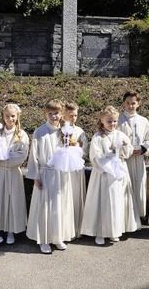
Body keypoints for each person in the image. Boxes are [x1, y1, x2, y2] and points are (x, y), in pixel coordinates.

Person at [81, 106, 140, 245]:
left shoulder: (120, 135)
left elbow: (128, 152)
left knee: (117, 202)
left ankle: (115, 230)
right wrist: (108, 160)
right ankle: (100, 232)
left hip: (118, 173)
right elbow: (95, 156)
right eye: (109, 121)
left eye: (114, 121)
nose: (112, 124)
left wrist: (125, 146)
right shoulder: (97, 137)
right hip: (104, 174)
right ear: (102, 120)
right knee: (104, 202)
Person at [26, 99, 75, 253]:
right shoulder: (40, 132)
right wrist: (35, 176)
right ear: (45, 113)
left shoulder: (65, 130)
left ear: (61, 114)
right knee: (45, 207)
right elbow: (33, 156)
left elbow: (70, 151)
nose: (54, 116)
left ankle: (58, 237)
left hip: (60, 174)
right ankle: (44, 239)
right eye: (50, 113)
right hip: (45, 174)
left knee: (59, 206)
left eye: (56, 113)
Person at [0, 104, 30, 245]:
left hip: (13, 172)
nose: (10, 119)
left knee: (12, 201)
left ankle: (11, 230)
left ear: (17, 116)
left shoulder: (21, 135)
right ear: (3, 117)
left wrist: (8, 157)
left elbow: (22, 154)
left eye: (13, 116)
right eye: (7, 116)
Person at [117, 91, 149, 220]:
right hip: (124, 160)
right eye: (128, 103)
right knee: (126, 187)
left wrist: (142, 149)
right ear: (123, 103)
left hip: (138, 158)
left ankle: (138, 216)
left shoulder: (143, 121)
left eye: (133, 103)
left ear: (138, 104)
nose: (130, 106)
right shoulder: (118, 120)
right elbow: (114, 139)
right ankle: (124, 218)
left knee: (138, 186)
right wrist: (125, 151)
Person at [61, 101, 89, 237]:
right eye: (70, 115)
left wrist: (77, 147)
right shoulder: (59, 130)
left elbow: (85, 149)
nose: (74, 118)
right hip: (64, 170)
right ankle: (65, 230)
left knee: (76, 197)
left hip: (76, 170)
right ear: (64, 115)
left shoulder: (79, 131)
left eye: (76, 115)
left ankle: (77, 228)